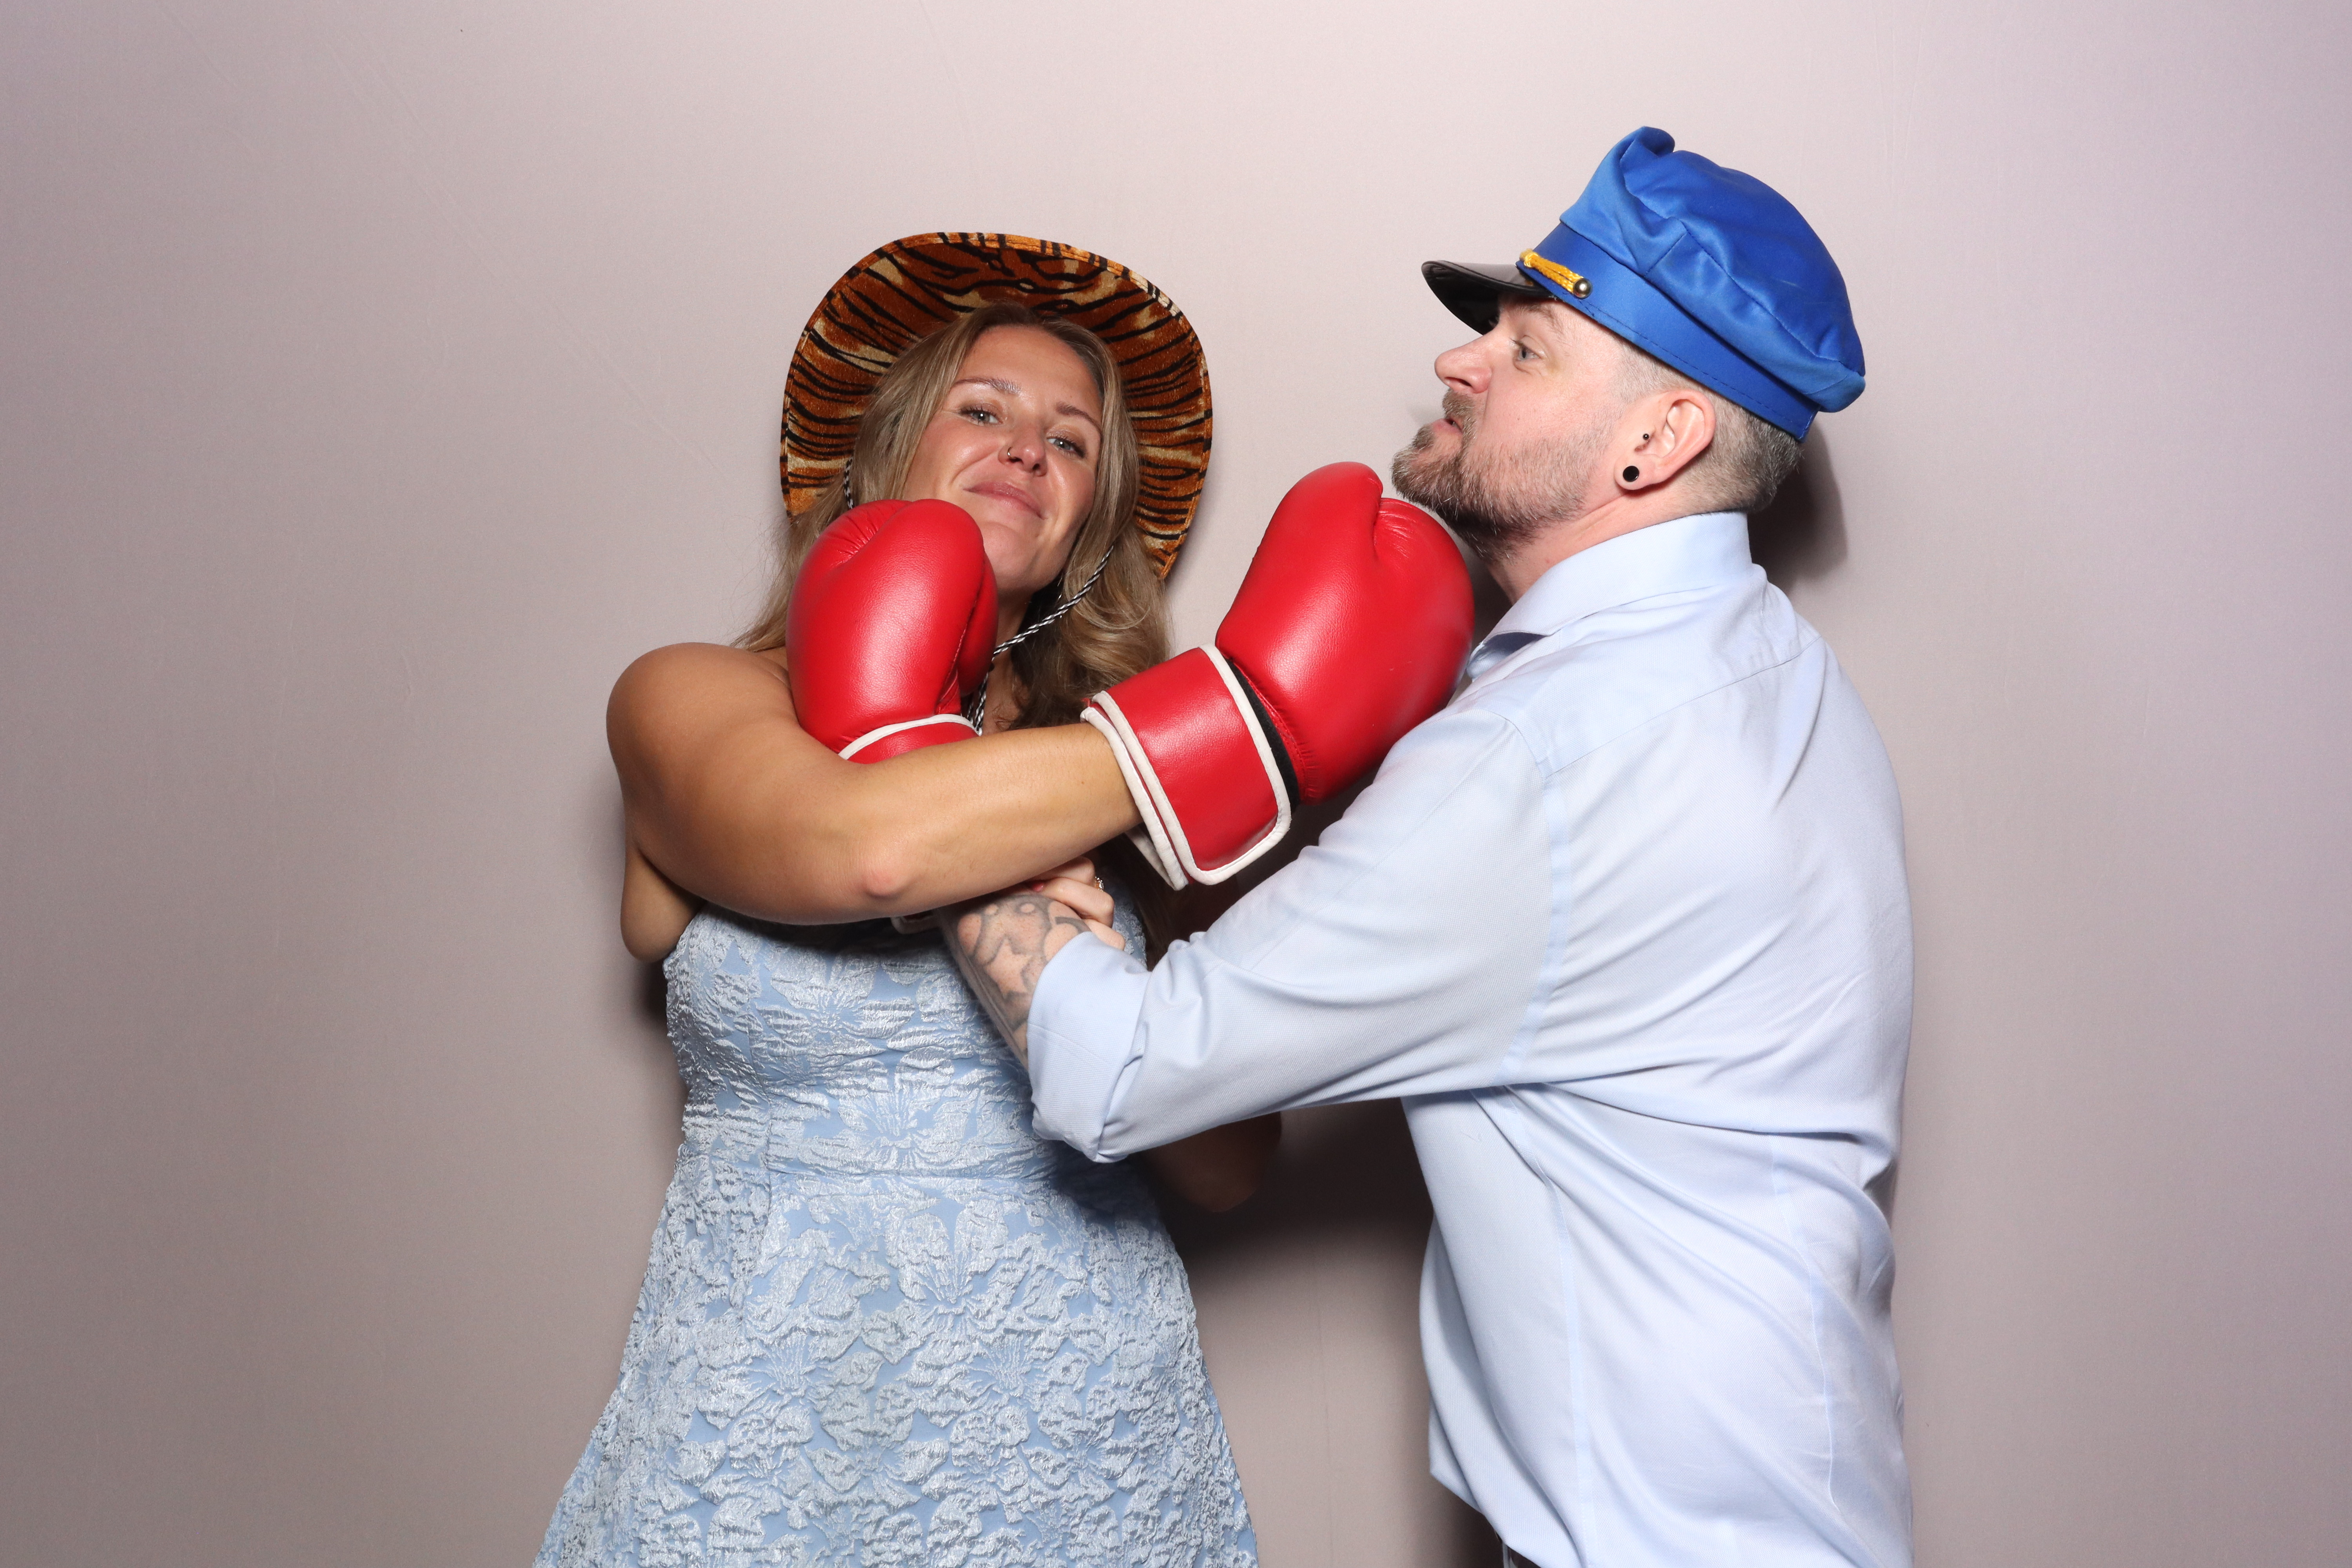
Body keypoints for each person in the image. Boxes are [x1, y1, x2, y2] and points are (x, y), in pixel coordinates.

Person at [946, 131, 1917, 1568]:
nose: (1461, 364)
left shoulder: (1544, 757)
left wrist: (922, 749)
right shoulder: (1776, 672)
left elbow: (1120, 1070)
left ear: (1657, 441)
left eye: (1529, 350)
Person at [538, 234, 1402, 1568]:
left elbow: (1227, 1166)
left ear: (1088, 527)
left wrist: (1123, 895)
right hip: (767, 1415)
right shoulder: (691, 696)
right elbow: (870, 852)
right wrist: (1247, 729)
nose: (1026, 452)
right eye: (984, 411)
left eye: (1072, 445)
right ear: (889, 456)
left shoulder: (1105, 790)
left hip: (1080, 1427)